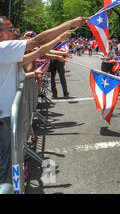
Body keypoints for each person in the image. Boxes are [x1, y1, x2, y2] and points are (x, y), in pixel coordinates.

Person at [0, 16, 86, 184]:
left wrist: (58, 41)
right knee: (4, 163)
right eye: (9, 30)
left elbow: (34, 54)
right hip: (3, 116)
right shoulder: (3, 48)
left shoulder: (6, 53)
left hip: (5, 115)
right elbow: (35, 42)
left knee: (7, 161)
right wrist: (69, 24)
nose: (14, 32)